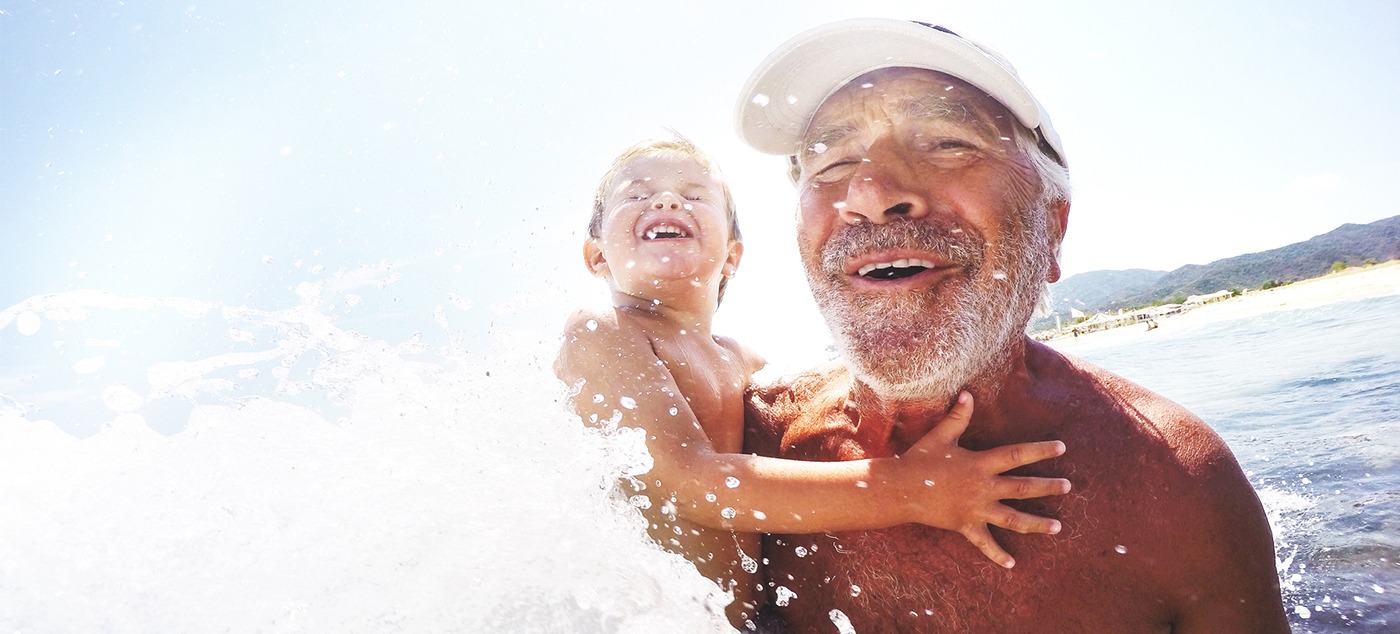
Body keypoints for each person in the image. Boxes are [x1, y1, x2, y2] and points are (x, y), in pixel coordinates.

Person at [733, 19, 1289, 632]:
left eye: (947, 143)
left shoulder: (1176, 487)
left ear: (1053, 227)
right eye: (830, 163)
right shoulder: (749, 449)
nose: (868, 192)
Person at [554, 134, 1073, 630]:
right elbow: (689, 484)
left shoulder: (742, 359)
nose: (667, 199)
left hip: (754, 620)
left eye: (694, 195)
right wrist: (913, 489)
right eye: (637, 195)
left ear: (732, 255)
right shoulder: (604, 331)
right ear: (596, 256)